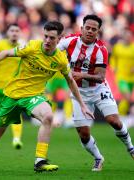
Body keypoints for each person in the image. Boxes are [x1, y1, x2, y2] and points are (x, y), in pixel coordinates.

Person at [0, 21, 93, 172]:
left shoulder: (60, 59)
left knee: (48, 117)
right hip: (12, 96)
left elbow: (71, 82)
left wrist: (82, 104)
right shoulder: (32, 46)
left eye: (52, 38)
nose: (47, 40)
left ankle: (40, 161)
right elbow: (7, 53)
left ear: (60, 38)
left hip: (34, 96)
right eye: (46, 36)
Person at [57, 14, 134, 171]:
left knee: (114, 121)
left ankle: (131, 148)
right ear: (82, 28)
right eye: (88, 28)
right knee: (83, 134)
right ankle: (98, 158)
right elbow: (52, 52)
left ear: (98, 31)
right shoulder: (69, 41)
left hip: (98, 89)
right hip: (78, 92)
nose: (90, 31)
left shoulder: (101, 49)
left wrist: (81, 74)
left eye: (94, 29)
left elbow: (100, 77)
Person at [0, 23, 23, 149]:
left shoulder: (22, 48)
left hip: (13, 89)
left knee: (15, 114)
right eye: (12, 30)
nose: (14, 33)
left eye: (17, 30)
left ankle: (17, 139)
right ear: (7, 32)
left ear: (20, 33)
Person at [110, 29, 134, 116]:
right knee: (127, 96)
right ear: (123, 37)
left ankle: (121, 117)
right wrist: (113, 67)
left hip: (131, 77)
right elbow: (113, 58)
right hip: (121, 76)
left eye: (129, 36)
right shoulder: (117, 47)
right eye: (126, 36)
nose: (128, 38)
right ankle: (122, 116)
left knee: (126, 99)